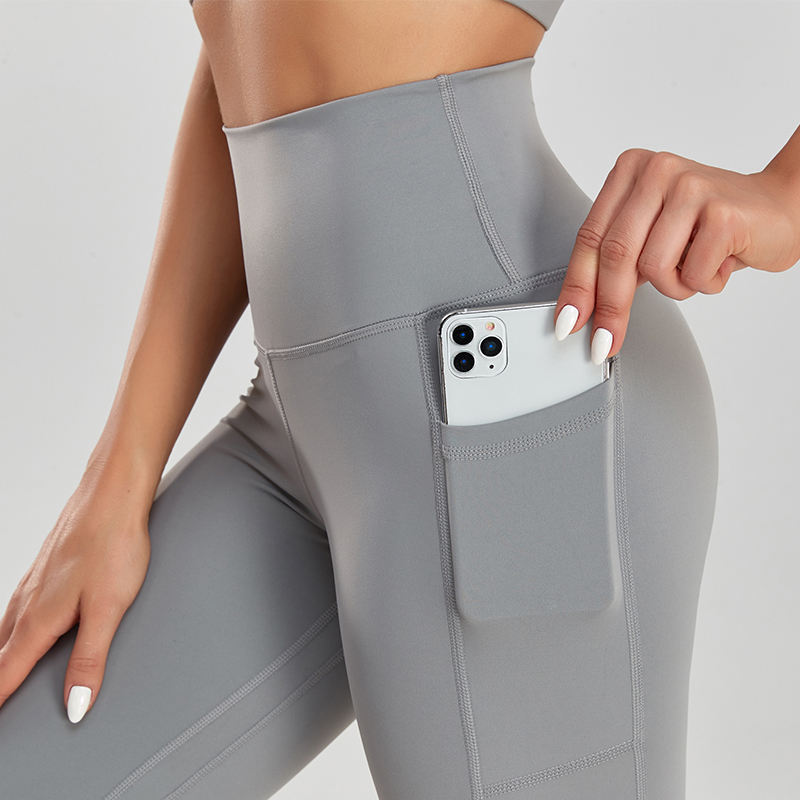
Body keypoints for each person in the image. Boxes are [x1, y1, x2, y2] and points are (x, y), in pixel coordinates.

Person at [1, 1, 799, 798]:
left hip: (518, 416)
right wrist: (119, 476)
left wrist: (785, 200)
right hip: (293, 439)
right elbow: (253, 46)